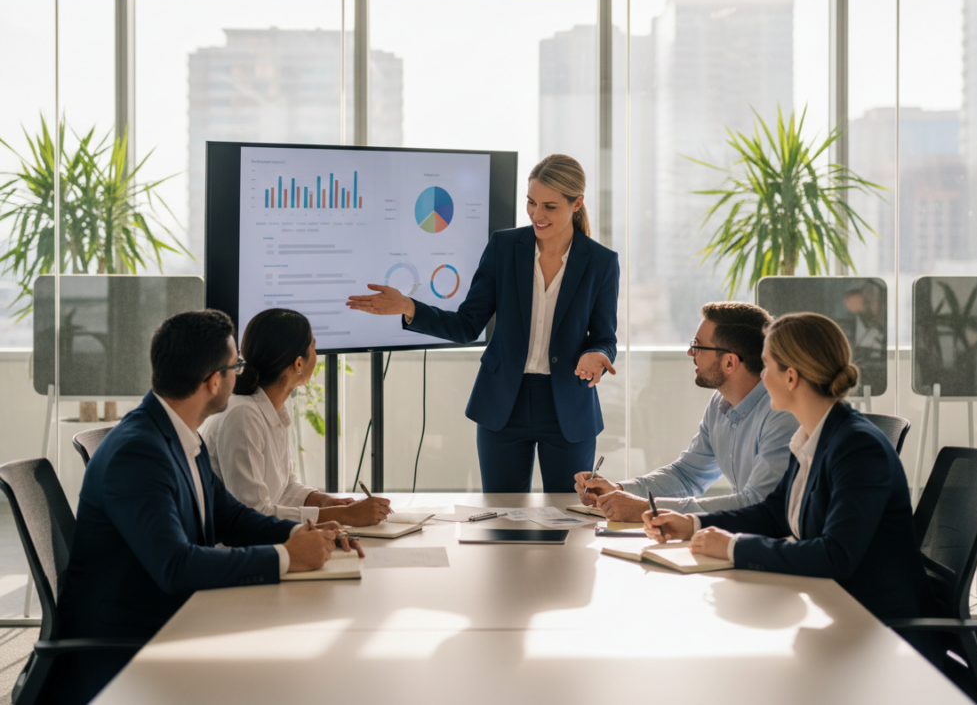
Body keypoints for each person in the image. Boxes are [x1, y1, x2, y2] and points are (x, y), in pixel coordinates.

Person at [51, 310, 362, 705]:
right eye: (237, 366)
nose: (241, 374)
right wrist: (285, 557)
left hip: (176, 618)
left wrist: (304, 535)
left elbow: (228, 516)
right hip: (128, 648)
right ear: (215, 381)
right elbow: (176, 566)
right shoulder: (138, 452)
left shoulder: (179, 434)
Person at [642, 312, 937, 625]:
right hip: (832, 606)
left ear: (791, 377)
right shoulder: (810, 436)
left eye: (767, 366)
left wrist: (733, 546)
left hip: (879, 626)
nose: (761, 376)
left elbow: (834, 556)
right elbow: (772, 513)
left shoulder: (857, 448)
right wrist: (693, 524)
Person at [347, 153, 618, 493]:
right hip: (503, 402)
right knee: (502, 519)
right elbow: (466, 324)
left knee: (571, 518)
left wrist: (596, 355)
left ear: (576, 203)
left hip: (568, 406)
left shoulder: (602, 263)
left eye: (550, 206)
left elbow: (606, 338)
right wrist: (408, 306)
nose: (537, 214)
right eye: (531, 203)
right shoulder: (504, 248)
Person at [573, 302, 797, 520]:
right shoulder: (720, 403)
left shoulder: (781, 415)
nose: (690, 352)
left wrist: (648, 508)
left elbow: (757, 504)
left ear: (730, 362)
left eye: (698, 346)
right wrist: (619, 490)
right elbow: (687, 475)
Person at [202, 308, 391, 525]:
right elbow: (252, 514)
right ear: (298, 363)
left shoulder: (272, 409)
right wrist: (344, 515)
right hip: (234, 552)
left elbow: (284, 488)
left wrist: (323, 501)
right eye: (314, 346)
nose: (317, 356)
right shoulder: (242, 415)